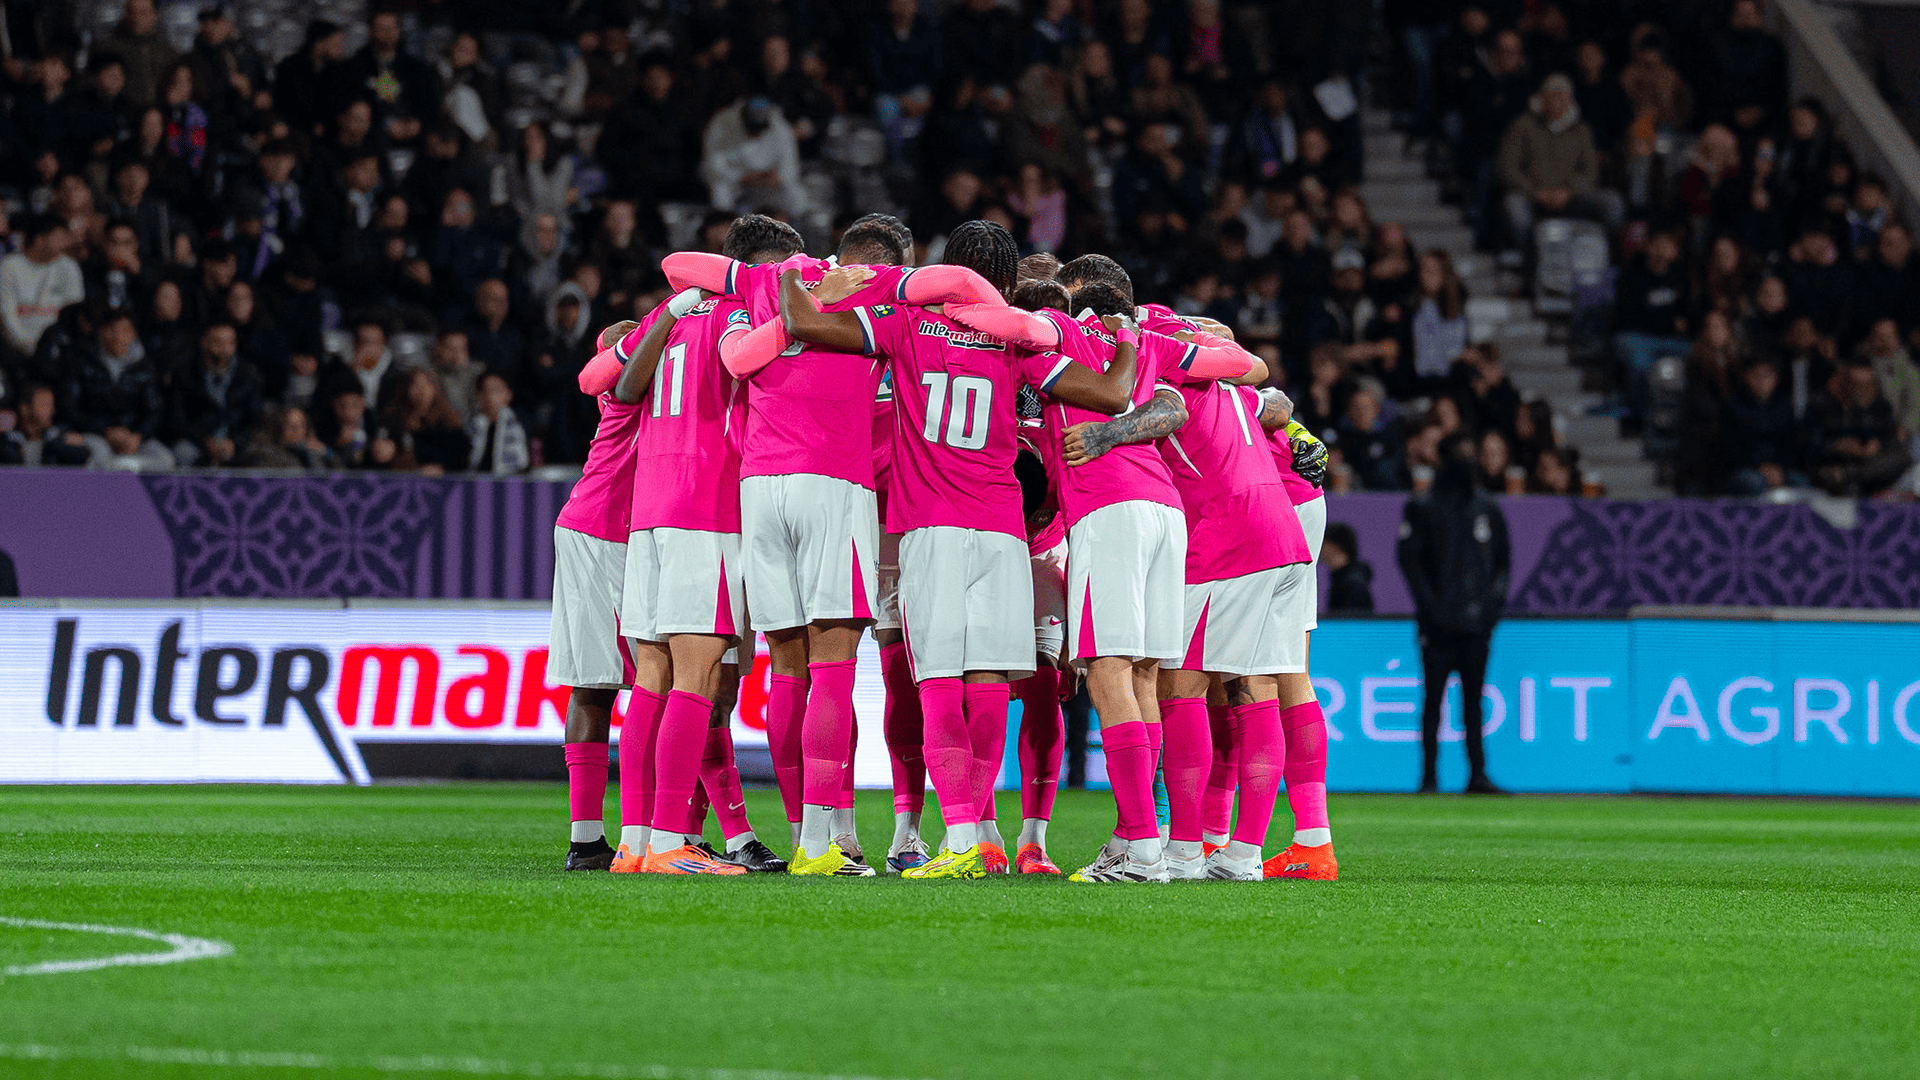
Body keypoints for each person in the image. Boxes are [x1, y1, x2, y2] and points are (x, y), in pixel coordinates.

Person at [779, 221, 1147, 880]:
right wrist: (1126, 341)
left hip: (932, 529)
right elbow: (1113, 395)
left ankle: (957, 840)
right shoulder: (1017, 340)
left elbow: (804, 323)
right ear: (1006, 281)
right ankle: (983, 833)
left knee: (940, 684)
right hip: (1005, 532)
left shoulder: (905, 324)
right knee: (988, 683)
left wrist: (790, 278)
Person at [659, 217, 1005, 875]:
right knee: (833, 665)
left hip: (760, 487)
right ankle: (823, 844)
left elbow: (678, 266)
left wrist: (787, 283)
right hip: (834, 484)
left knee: (787, 665)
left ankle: (805, 832)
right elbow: (961, 280)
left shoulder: (760, 283)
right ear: (892, 261)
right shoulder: (883, 291)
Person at [1398, 434, 1510, 795]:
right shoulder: (1423, 507)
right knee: (1434, 700)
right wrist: (1430, 607)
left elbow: (1502, 562)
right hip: (1438, 626)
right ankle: (1429, 777)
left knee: (1473, 702)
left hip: (1476, 624)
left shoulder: (1486, 507)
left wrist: (1491, 608)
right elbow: (1410, 562)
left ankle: (1477, 774)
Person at [1321, 522, 1374, 614]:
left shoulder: (1353, 586)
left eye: (1323, 542)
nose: (1319, 547)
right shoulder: (1342, 581)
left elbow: (1354, 621)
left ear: (1335, 545)